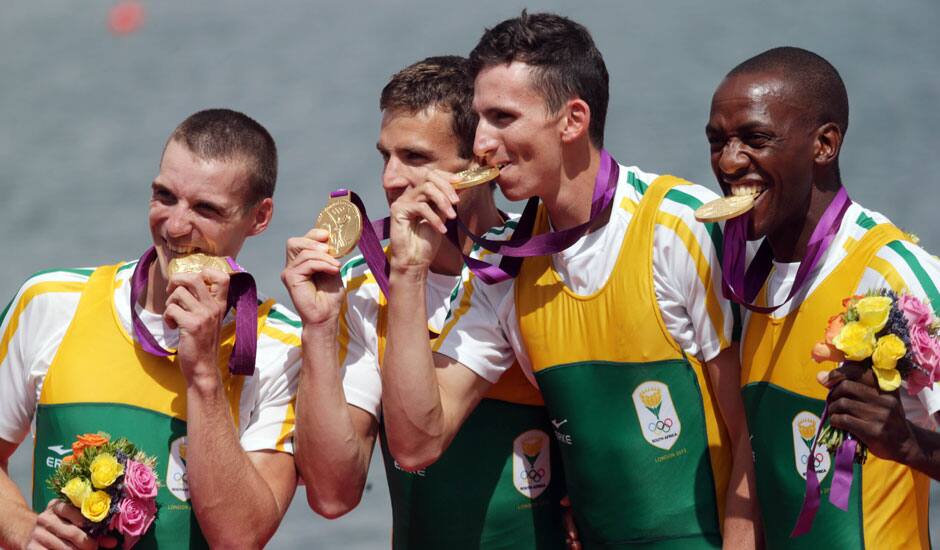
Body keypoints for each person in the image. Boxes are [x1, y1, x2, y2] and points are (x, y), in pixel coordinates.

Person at [379, 12, 759, 549]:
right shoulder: (506, 265)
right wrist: (408, 271)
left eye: (502, 117)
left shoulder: (681, 226)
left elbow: (752, 430)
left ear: (573, 119)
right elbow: (417, 444)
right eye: (480, 119)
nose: (481, 142)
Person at [283, 56, 569, 548]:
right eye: (385, 157)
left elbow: (418, 444)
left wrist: (411, 274)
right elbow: (332, 495)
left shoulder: (535, 263)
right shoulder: (358, 283)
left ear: (480, 162)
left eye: (415, 158)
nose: (391, 179)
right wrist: (318, 327)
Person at [0, 109, 301, 549]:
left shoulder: (282, 347)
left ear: (259, 218)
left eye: (206, 209)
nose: (176, 226)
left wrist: (203, 377)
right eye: (165, 196)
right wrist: (26, 531)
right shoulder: (50, 302)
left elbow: (240, 538)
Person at [706, 46, 940, 547]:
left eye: (755, 139)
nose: (728, 162)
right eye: (717, 141)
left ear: (824, 145)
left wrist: (909, 444)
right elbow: (755, 448)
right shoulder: (748, 276)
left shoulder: (896, 275)